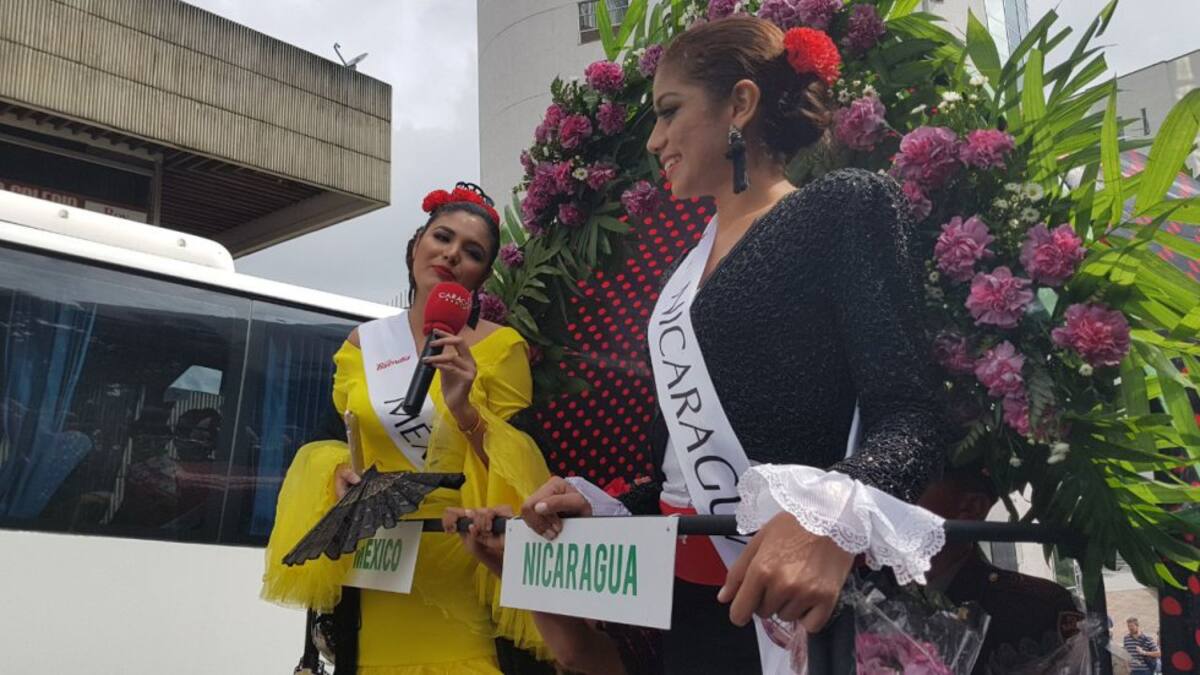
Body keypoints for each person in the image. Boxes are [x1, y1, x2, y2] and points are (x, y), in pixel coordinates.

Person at [484, 16, 949, 674]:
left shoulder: (842, 208)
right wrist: (609, 506)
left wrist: (829, 517)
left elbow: (914, 414)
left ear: (740, 104)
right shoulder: (683, 269)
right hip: (694, 613)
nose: (654, 139)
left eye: (670, 111)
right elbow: (689, 472)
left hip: (801, 608)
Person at [261, 183, 552, 674]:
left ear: (481, 277)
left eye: (473, 252)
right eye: (443, 237)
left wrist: (465, 410)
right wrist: (336, 470)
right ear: (416, 243)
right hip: (377, 564)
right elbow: (333, 438)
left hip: (460, 558)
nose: (452, 254)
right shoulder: (363, 344)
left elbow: (523, 469)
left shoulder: (501, 350)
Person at [917, 468, 1083, 673]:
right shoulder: (872, 589)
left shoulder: (1034, 609)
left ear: (972, 507)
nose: (882, 500)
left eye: (911, 484)